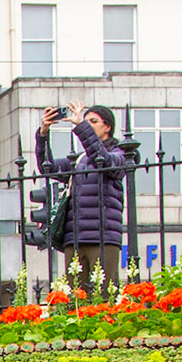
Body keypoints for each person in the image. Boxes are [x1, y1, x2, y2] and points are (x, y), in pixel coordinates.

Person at [35, 101, 132, 294]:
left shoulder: (121, 153)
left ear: (108, 127)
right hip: (75, 237)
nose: (88, 125)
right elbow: (48, 168)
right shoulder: (79, 160)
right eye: (86, 122)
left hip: (103, 237)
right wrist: (43, 134)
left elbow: (104, 160)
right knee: (75, 298)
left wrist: (81, 126)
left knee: (103, 295)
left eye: (93, 122)